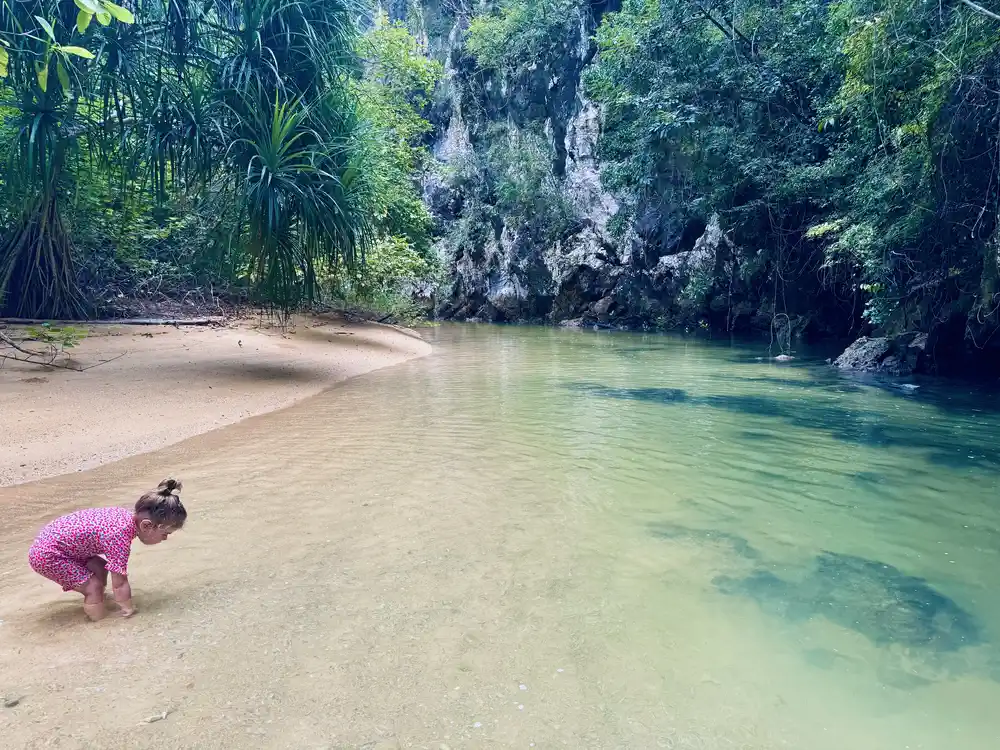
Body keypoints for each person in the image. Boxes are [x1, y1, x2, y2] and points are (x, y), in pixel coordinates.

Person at [28, 479, 187, 621]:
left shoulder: (124, 516)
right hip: (48, 555)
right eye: (165, 533)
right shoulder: (120, 537)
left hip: (57, 545)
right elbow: (119, 583)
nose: (165, 538)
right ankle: (99, 624)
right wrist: (128, 609)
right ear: (146, 525)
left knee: (100, 568)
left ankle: (98, 601)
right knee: (93, 587)